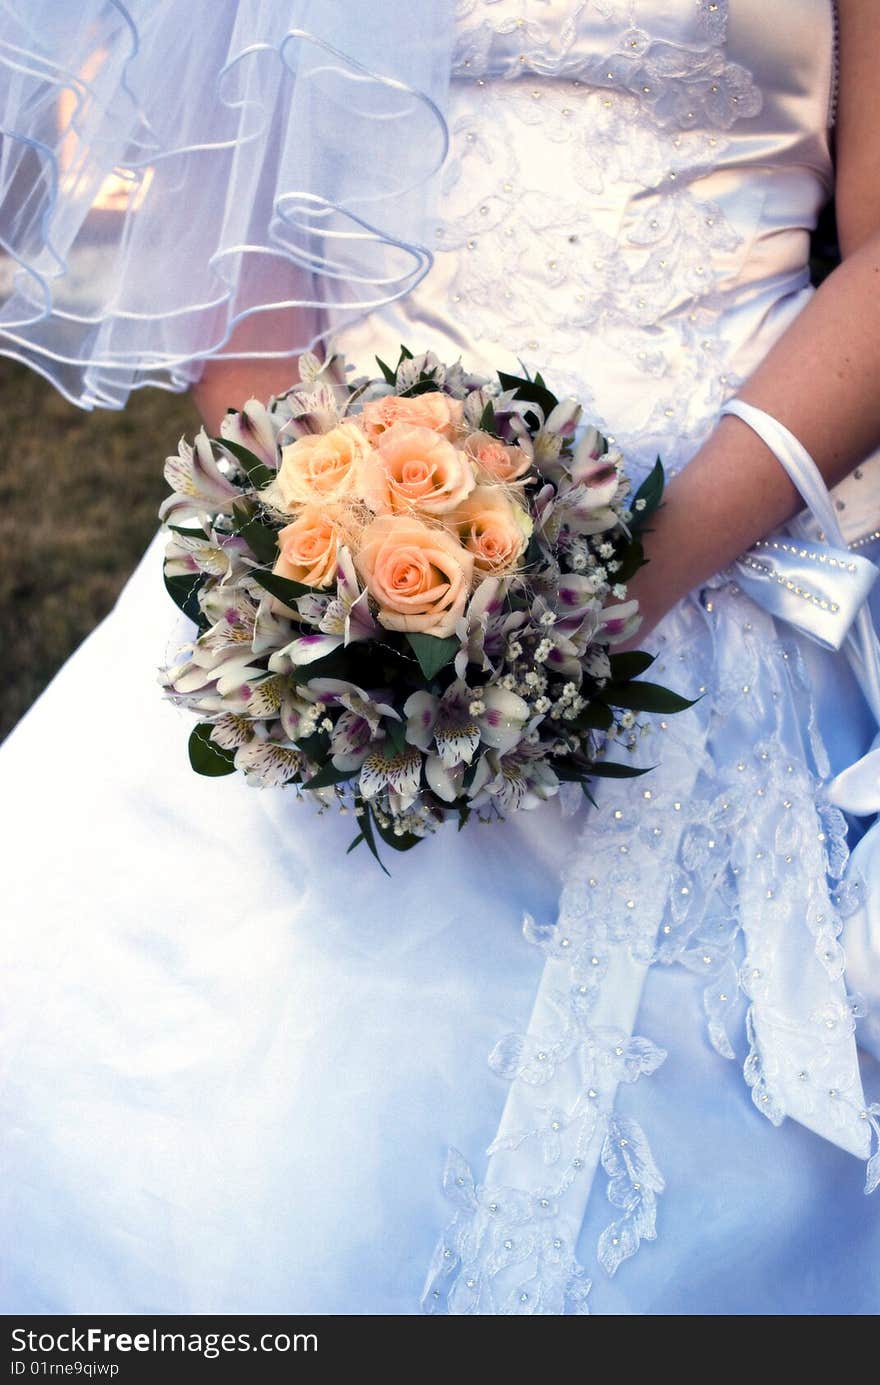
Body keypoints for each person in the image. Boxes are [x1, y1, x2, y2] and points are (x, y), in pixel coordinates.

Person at [1, 0, 878, 1316]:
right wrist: (329, 542)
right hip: (350, 534)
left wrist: (630, 576)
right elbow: (241, 228)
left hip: (726, 522)